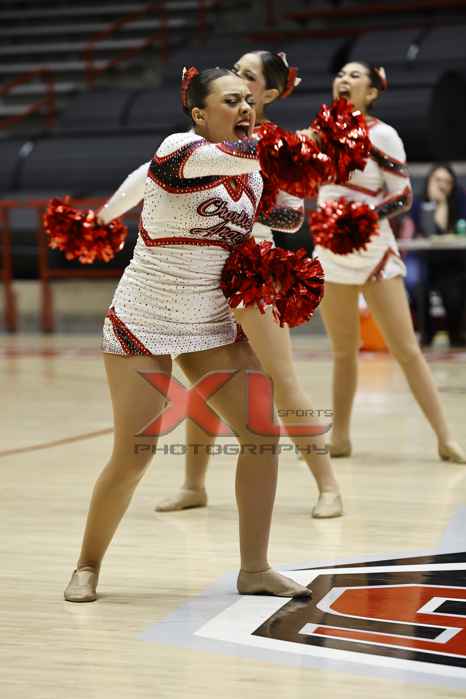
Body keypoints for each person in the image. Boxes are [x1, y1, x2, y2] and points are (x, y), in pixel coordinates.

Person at [64, 67, 316, 604]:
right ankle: (87, 564)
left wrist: (295, 180)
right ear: (200, 114)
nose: (245, 108)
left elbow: (289, 220)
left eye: (249, 100)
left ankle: (255, 569)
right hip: (144, 319)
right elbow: (259, 155)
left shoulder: (250, 174)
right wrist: (305, 147)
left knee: (262, 434)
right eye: (231, 100)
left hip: (209, 322)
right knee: (135, 453)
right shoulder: (179, 151)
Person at [97, 51, 343, 520]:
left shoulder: (284, 148)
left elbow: (290, 220)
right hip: (201, 273)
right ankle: (194, 484)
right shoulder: (198, 143)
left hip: (251, 269)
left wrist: (265, 198)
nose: (240, 82)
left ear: (269, 93)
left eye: (249, 78)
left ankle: (327, 485)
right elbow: (146, 176)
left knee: (280, 378)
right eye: (235, 78)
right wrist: (102, 218)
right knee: (207, 378)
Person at [311, 61, 466, 463]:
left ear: (371, 92)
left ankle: (445, 437)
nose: (344, 80)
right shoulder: (320, 133)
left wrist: (362, 218)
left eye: (354, 76)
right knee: (343, 351)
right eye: (340, 75)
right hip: (330, 251)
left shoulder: (383, 134)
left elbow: (403, 197)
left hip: (373, 250)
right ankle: (340, 438)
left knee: (407, 350)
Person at [400, 163, 466, 347]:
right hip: (422, 257)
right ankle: (426, 333)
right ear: (429, 180)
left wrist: (443, 204)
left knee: (454, 289)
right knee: (416, 283)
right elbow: (419, 232)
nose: (442, 185)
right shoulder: (418, 202)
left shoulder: (459, 201)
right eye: (438, 180)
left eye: (447, 181)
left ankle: (456, 333)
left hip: (450, 259)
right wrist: (432, 206)